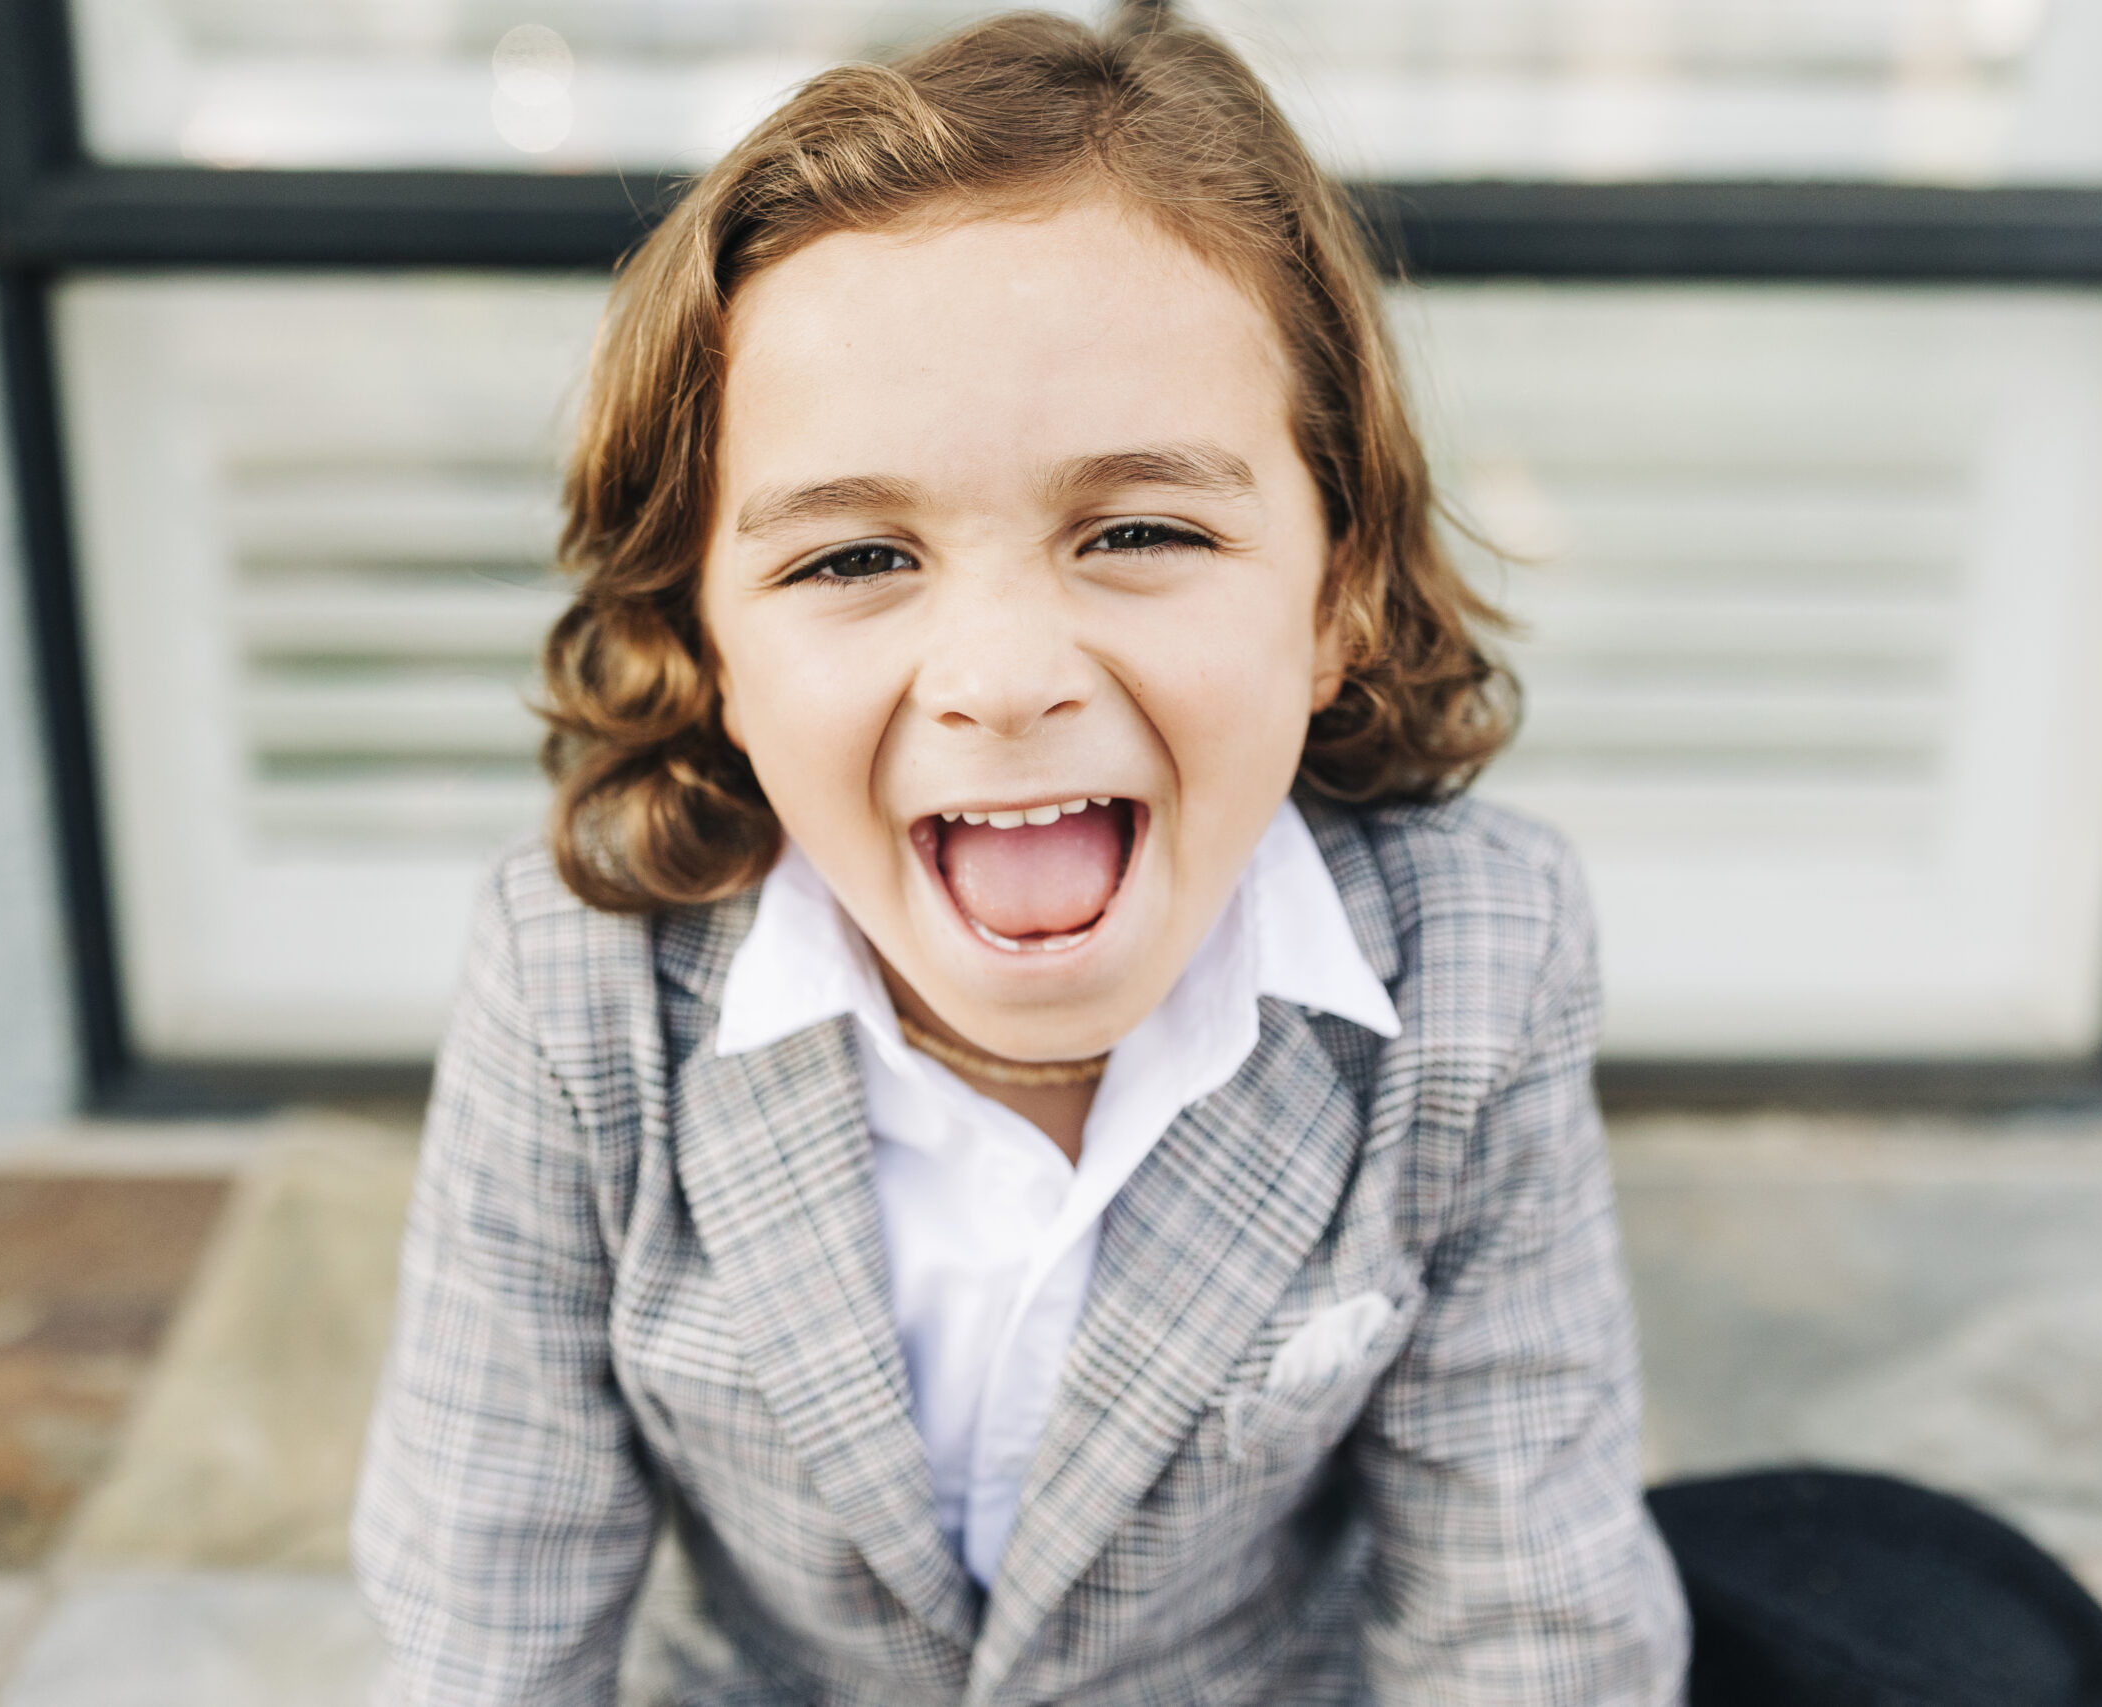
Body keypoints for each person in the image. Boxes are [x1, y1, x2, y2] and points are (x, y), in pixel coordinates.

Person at [353, 11, 1690, 1703]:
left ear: (1337, 593)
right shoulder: (575, 981)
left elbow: (1529, 1620)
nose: (1001, 680)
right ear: (710, 642)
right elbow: (482, 1608)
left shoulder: (1480, 959)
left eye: (1139, 532)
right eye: (852, 559)